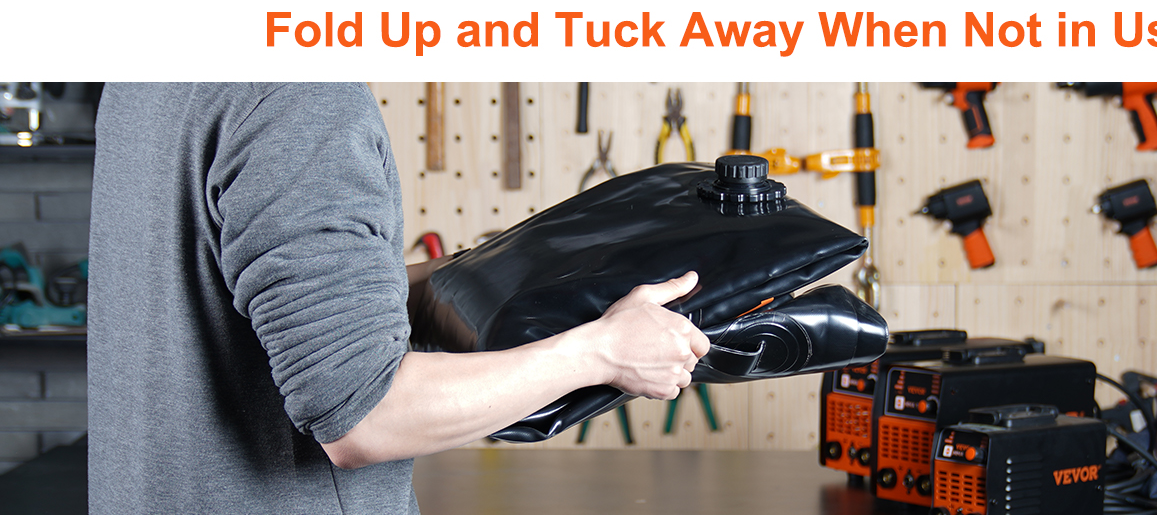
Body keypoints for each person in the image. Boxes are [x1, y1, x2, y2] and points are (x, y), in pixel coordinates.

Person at [87, 82, 710, 513]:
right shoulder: (299, 99)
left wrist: (476, 274)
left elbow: (232, 298)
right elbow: (365, 417)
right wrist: (602, 354)